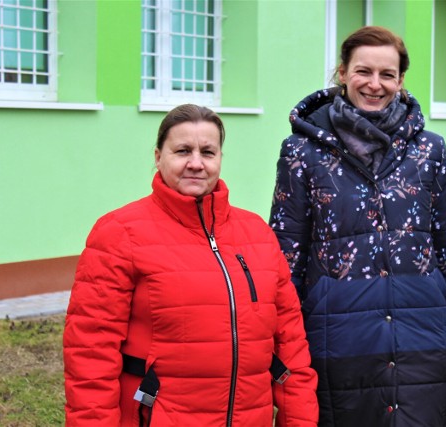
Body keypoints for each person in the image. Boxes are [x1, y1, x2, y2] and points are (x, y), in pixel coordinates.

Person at [269, 26, 446, 426]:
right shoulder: (301, 151)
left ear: (400, 81)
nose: (375, 84)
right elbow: (285, 262)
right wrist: (282, 357)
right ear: (343, 73)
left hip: (425, 343)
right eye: (363, 71)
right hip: (337, 345)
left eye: (387, 75)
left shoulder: (429, 150)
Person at [63, 104, 318, 426]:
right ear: (158, 156)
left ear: (220, 159)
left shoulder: (257, 234)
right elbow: (90, 356)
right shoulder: (119, 233)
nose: (196, 164)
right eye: (182, 150)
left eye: (208, 152)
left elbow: (291, 346)